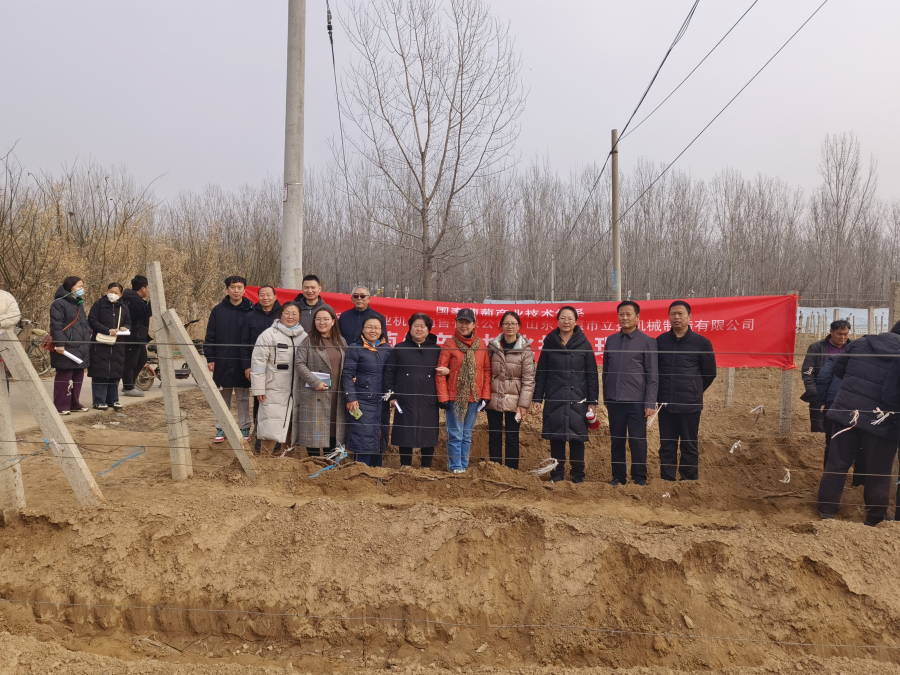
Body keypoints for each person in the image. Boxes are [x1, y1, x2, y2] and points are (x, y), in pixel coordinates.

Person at [816, 322, 900, 525]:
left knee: (837, 463)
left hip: (846, 411)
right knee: (878, 471)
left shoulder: (861, 343)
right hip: (881, 419)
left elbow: (838, 368)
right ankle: (875, 516)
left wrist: (855, 385)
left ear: (891, 330)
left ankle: (826, 510)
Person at [532, 306, 599, 483]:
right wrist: (538, 398)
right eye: (562, 318)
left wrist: (592, 401)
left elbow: (592, 375)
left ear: (576, 321)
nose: (566, 322)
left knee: (577, 437)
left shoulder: (585, 344)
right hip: (555, 397)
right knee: (556, 438)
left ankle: (578, 475)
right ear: (557, 321)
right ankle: (557, 474)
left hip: (578, 398)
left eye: (570, 318)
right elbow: (542, 373)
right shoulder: (549, 343)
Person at [655, 301, 716, 482]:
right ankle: (667, 479)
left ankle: (688, 481)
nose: (676, 317)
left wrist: (694, 390)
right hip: (665, 404)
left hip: (690, 404)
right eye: (673, 314)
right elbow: (655, 371)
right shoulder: (660, 342)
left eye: (680, 313)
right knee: (667, 445)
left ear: (689, 316)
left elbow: (709, 373)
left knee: (689, 444)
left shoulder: (701, 343)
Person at [602, 300, 658, 486]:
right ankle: (618, 477)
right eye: (621, 314)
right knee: (616, 441)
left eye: (628, 314)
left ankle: (639, 477)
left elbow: (652, 375)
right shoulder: (611, 340)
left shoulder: (647, 341)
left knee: (637, 441)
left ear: (637, 317)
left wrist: (650, 402)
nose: (624, 318)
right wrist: (606, 396)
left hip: (636, 401)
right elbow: (606, 371)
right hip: (615, 400)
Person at [436, 308, 492, 474]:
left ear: (474, 324)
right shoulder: (449, 344)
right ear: (456, 323)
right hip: (455, 397)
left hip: (474, 397)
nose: (463, 325)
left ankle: (464, 466)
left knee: (467, 435)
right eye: (460, 322)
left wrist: (485, 395)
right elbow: (440, 372)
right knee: (455, 434)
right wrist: (443, 397)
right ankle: (455, 467)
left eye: (467, 322)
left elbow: (486, 371)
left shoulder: (481, 345)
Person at [383, 313, 442, 468]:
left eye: (423, 326)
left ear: (429, 329)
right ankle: (406, 466)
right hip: (404, 398)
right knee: (405, 431)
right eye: (416, 326)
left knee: (428, 432)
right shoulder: (399, 348)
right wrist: (391, 395)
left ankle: (426, 467)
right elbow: (389, 373)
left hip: (429, 398)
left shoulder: (437, 350)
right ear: (410, 328)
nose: (419, 329)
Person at [249, 302, 307, 454]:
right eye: (287, 313)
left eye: (294, 314)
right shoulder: (269, 335)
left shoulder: (305, 337)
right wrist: (258, 388)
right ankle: (265, 459)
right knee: (270, 427)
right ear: (280, 314)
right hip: (273, 390)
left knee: (290, 428)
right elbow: (258, 363)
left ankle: (286, 461)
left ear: (299, 316)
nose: (290, 316)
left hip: (296, 392)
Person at [204, 275, 255, 443]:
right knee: (222, 396)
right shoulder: (218, 310)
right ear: (227, 290)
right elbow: (210, 336)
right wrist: (210, 357)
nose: (236, 291)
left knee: (243, 396)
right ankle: (221, 426)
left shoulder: (251, 311)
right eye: (232, 287)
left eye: (239, 287)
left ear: (244, 290)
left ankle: (244, 427)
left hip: (243, 361)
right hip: (222, 360)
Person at [294, 305, 347, 455]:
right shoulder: (308, 341)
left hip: (337, 394)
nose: (321, 322)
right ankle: (314, 464)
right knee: (314, 434)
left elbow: (347, 363)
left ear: (333, 321)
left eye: (326, 319)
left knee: (333, 432)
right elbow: (299, 363)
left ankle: (331, 465)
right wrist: (315, 382)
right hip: (315, 394)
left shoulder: (341, 341)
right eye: (318, 319)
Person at [486, 311, 535, 470]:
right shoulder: (492, 347)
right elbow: (486, 372)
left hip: (515, 401)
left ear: (519, 326)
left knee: (512, 437)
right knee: (494, 436)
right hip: (494, 397)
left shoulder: (525, 350)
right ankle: (495, 470)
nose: (510, 326)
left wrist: (523, 404)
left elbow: (528, 380)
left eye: (513, 323)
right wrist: (485, 397)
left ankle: (512, 471)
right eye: (506, 323)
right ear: (501, 325)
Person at [343, 316, 392, 466]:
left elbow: (391, 373)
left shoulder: (386, 348)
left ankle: (377, 472)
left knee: (380, 437)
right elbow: (347, 375)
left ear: (381, 330)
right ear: (362, 330)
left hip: (382, 402)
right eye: (369, 327)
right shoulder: (355, 348)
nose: (373, 330)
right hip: (362, 401)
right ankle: (361, 472)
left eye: (377, 327)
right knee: (362, 437)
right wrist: (351, 397)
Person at [241, 285, 282, 450]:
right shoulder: (250, 316)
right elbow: (244, 343)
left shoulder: (282, 314)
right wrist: (247, 366)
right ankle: (260, 434)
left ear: (275, 296)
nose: (265, 298)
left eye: (268, 295)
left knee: (277, 400)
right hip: (257, 366)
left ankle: (277, 437)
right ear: (258, 297)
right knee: (260, 398)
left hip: (279, 367)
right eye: (262, 295)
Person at [817, 356, 864, 484]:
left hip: (835, 402)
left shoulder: (837, 358)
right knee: (863, 446)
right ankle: (859, 484)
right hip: (863, 406)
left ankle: (829, 482)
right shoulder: (876, 358)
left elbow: (823, 377)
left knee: (833, 444)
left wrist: (823, 401)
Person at [48, 277, 91, 414]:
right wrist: (60, 343)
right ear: (70, 287)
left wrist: (88, 334)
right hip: (66, 346)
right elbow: (56, 325)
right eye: (79, 286)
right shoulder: (59, 303)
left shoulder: (79, 303)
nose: (81, 289)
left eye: (82, 286)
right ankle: (61, 405)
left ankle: (74, 403)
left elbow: (83, 323)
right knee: (65, 375)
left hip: (81, 344)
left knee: (78, 375)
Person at [800, 320, 851, 433]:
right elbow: (807, 373)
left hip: (845, 395)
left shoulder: (853, 348)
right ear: (831, 331)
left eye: (845, 334)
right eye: (839, 334)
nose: (842, 337)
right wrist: (815, 395)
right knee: (819, 429)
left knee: (844, 428)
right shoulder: (816, 348)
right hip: (820, 394)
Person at [88, 283, 132, 410]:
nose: (113, 294)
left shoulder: (124, 308)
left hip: (118, 345)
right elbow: (92, 320)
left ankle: (113, 400)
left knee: (115, 372)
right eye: (111, 291)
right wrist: (107, 330)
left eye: (116, 292)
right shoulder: (98, 305)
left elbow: (129, 322)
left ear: (121, 295)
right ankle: (99, 400)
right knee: (100, 371)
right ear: (107, 291)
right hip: (100, 343)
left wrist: (125, 327)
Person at [121, 275, 152, 397]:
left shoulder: (133, 298)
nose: (148, 291)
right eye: (148, 288)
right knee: (130, 362)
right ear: (143, 288)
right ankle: (128, 387)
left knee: (142, 359)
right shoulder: (133, 300)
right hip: (132, 335)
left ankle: (130, 384)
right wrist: (154, 301)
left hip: (138, 336)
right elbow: (146, 312)